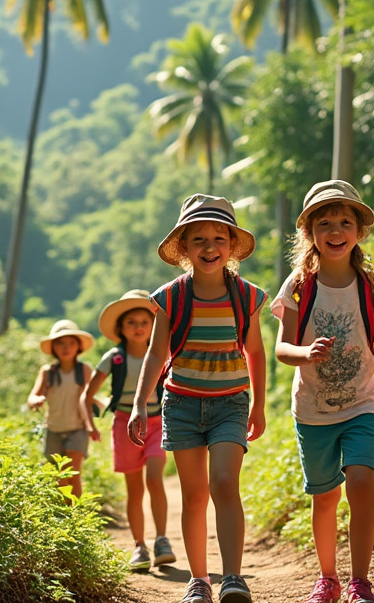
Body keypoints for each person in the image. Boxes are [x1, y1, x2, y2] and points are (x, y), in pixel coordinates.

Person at [272, 180, 374, 603]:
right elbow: (281, 347)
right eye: (325, 222)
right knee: (325, 495)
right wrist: (304, 352)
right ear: (310, 233)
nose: (336, 230)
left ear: (359, 231)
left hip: (363, 403)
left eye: (345, 221)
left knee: (360, 482)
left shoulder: (373, 286)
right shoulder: (299, 285)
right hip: (312, 410)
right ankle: (327, 578)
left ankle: (360, 582)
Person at [128, 194, 268, 603]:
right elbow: (157, 353)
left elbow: (255, 352)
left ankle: (233, 578)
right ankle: (199, 581)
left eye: (219, 238)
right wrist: (139, 404)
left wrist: (258, 405)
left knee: (224, 482)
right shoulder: (169, 298)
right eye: (199, 240)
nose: (210, 248)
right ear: (184, 249)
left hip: (230, 404)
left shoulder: (247, 296)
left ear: (231, 246)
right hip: (182, 404)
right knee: (194, 495)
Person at [81, 290, 176, 572]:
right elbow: (87, 395)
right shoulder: (115, 358)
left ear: (155, 325)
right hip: (124, 424)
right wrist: (91, 423)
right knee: (134, 490)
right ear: (121, 328)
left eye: (144, 321)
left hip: (157, 422)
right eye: (131, 322)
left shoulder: (163, 355)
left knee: (155, 478)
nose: (138, 327)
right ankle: (139, 546)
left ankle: (161, 540)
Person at [27, 319, 96, 499]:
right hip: (54, 430)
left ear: (78, 346)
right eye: (61, 343)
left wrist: (91, 427)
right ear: (54, 348)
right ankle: (65, 516)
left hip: (77, 429)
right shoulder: (47, 372)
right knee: (59, 477)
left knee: (72, 473)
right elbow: (32, 395)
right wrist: (37, 399)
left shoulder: (84, 370)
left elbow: (88, 400)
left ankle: (75, 516)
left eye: (71, 343)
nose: (66, 348)